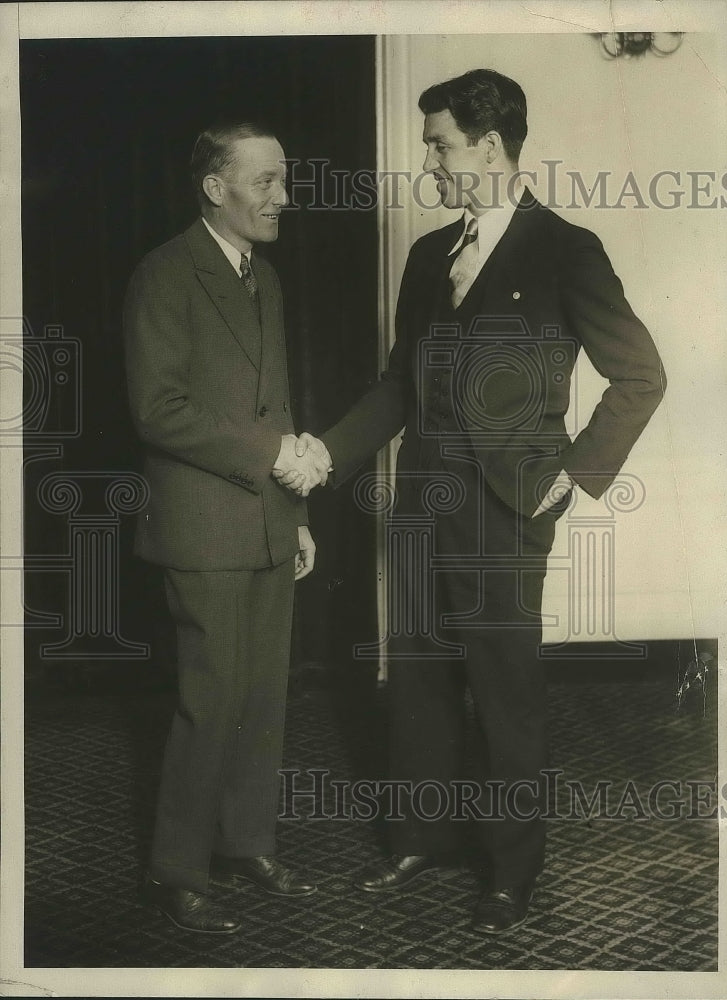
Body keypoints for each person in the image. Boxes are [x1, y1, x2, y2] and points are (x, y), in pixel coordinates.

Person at [276, 69, 666, 934]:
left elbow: (640, 374)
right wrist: (326, 453)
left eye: (439, 144)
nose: (429, 161)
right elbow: (395, 390)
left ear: (489, 148)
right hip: (419, 501)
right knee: (417, 676)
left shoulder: (566, 249)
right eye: (428, 145)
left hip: (506, 510)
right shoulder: (427, 259)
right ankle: (423, 837)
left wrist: (572, 472)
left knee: (501, 691)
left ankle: (509, 869)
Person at [124, 120, 330, 934]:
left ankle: (247, 842)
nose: (283, 196)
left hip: (269, 523)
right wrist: (274, 457)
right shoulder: (164, 274)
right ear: (216, 188)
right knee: (210, 701)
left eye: (283, 179)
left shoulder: (264, 277)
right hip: (202, 527)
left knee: (260, 696)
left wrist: (299, 514)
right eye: (266, 181)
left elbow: (272, 408)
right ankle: (176, 870)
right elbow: (158, 410)